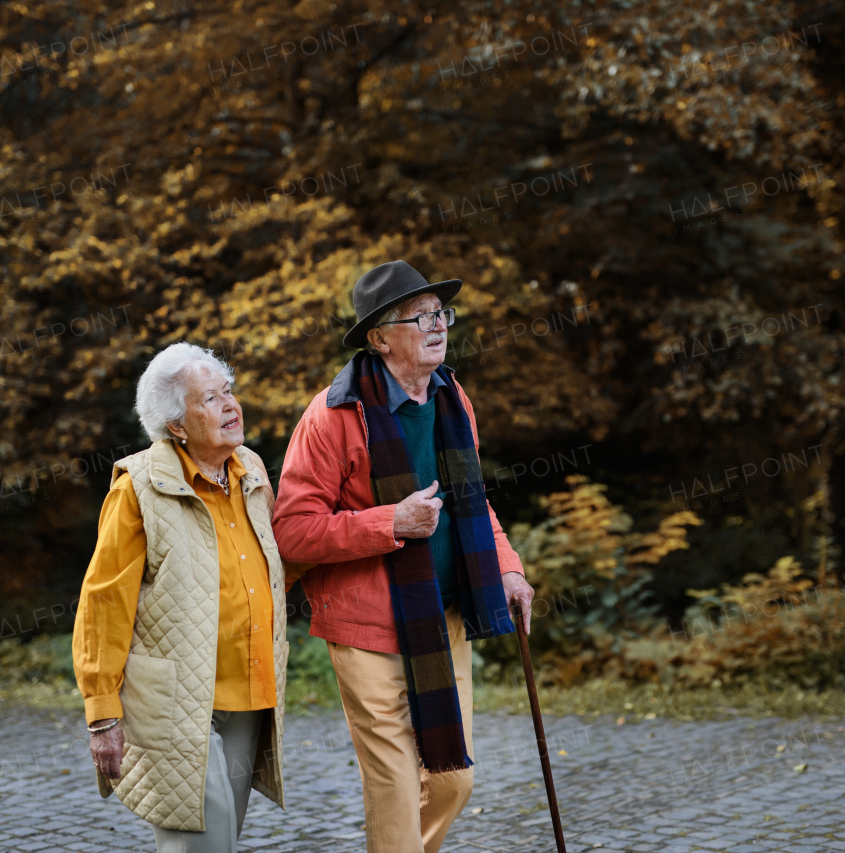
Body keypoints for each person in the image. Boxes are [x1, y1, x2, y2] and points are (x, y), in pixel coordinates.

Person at [272, 259, 535, 853]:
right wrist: (391, 522)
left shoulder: (450, 397)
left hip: (443, 617)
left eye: (441, 312)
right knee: (393, 790)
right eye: (419, 317)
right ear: (379, 337)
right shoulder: (332, 416)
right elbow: (292, 531)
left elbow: (472, 502)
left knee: (453, 781)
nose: (437, 325)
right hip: (365, 627)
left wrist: (509, 568)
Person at [72, 342, 288, 853]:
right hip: (172, 703)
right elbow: (104, 603)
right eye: (210, 399)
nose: (231, 405)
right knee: (203, 847)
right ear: (176, 425)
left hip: (248, 696)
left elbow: (279, 568)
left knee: (218, 842)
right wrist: (103, 712)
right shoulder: (139, 488)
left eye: (229, 391)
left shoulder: (251, 469)